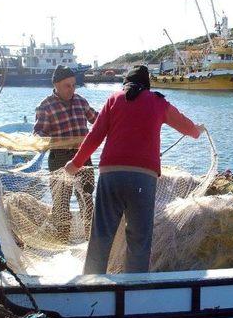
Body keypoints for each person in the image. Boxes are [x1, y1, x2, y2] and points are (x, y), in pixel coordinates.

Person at [65, 65, 204, 274]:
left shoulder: (114, 99)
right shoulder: (158, 102)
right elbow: (187, 127)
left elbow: (95, 136)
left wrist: (75, 164)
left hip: (111, 176)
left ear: (126, 84)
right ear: (146, 85)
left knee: (101, 235)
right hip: (143, 179)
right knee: (139, 240)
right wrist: (197, 130)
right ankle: (134, 290)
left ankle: (92, 284)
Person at [34, 65, 98, 241]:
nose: (71, 89)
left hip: (83, 157)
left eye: (73, 85)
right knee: (61, 203)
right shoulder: (45, 106)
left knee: (87, 199)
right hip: (59, 159)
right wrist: (43, 140)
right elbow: (39, 133)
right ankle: (61, 239)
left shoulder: (81, 101)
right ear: (56, 85)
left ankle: (89, 240)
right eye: (67, 85)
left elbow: (99, 121)